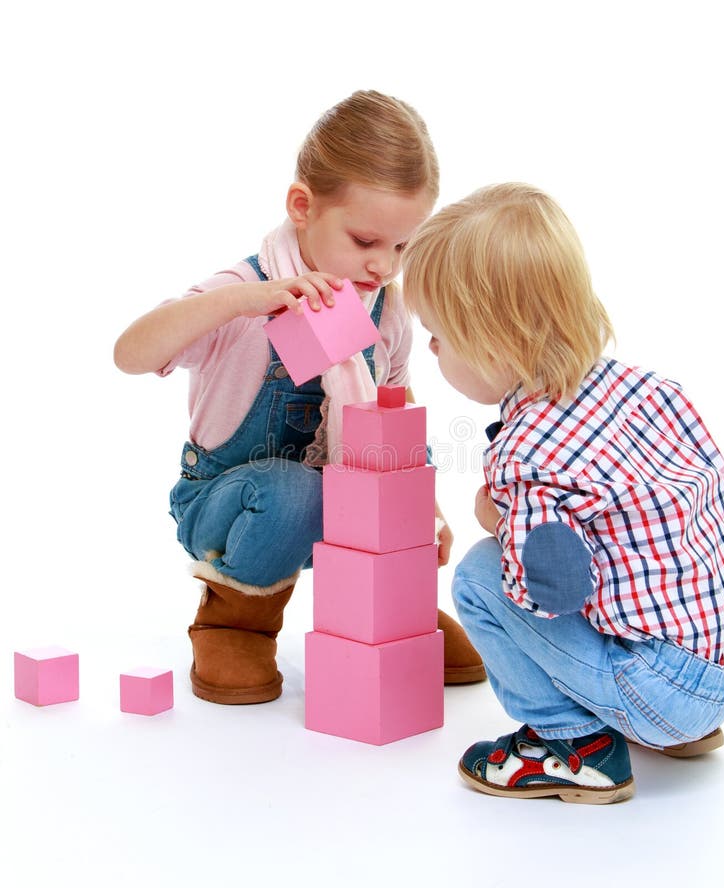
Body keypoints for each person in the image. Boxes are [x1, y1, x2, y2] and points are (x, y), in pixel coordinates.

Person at [114, 90, 485, 706]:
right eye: (365, 241)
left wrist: (428, 506)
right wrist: (249, 303)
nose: (382, 266)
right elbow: (130, 354)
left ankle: (394, 620)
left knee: (393, 485)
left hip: (344, 495)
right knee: (291, 490)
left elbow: (395, 414)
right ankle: (234, 617)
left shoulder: (386, 309)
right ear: (302, 207)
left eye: (401, 247)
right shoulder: (243, 292)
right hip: (228, 503)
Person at [401, 182, 724, 803]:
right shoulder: (646, 389)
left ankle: (573, 745)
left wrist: (499, 521)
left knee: (477, 579)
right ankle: (676, 727)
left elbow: (551, 591)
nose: (430, 348)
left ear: (491, 344)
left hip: (661, 690)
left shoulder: (529, 455)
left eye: (438, 335)